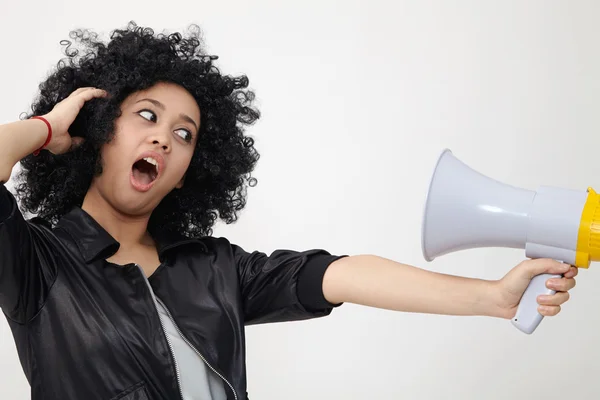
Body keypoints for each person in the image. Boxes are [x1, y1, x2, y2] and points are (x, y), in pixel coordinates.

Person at [0, 22, 577, 400]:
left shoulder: (212, 268)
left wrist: (491, 298)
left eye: (185, 134)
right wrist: (50, 126)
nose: (164, 140)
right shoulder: (36, 264)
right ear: (99, 130)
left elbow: (341, 274)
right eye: (146, 116)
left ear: (187, 175)